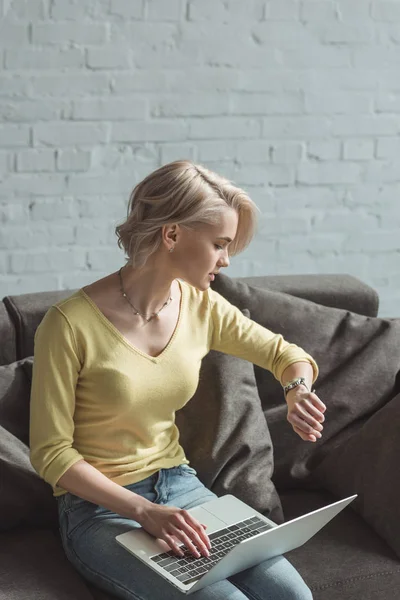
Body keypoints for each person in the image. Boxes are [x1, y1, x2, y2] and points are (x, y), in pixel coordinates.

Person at [30, 160, 326, 600]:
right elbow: (51, 455)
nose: (225, 260)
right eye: (219, 244)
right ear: (172, 235)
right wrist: (144, 511)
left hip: (180, 487)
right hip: (99, 510)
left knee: (294, 597)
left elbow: (287, 355)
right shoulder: (68, 325)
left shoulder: (201, 305)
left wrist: (297, 389)